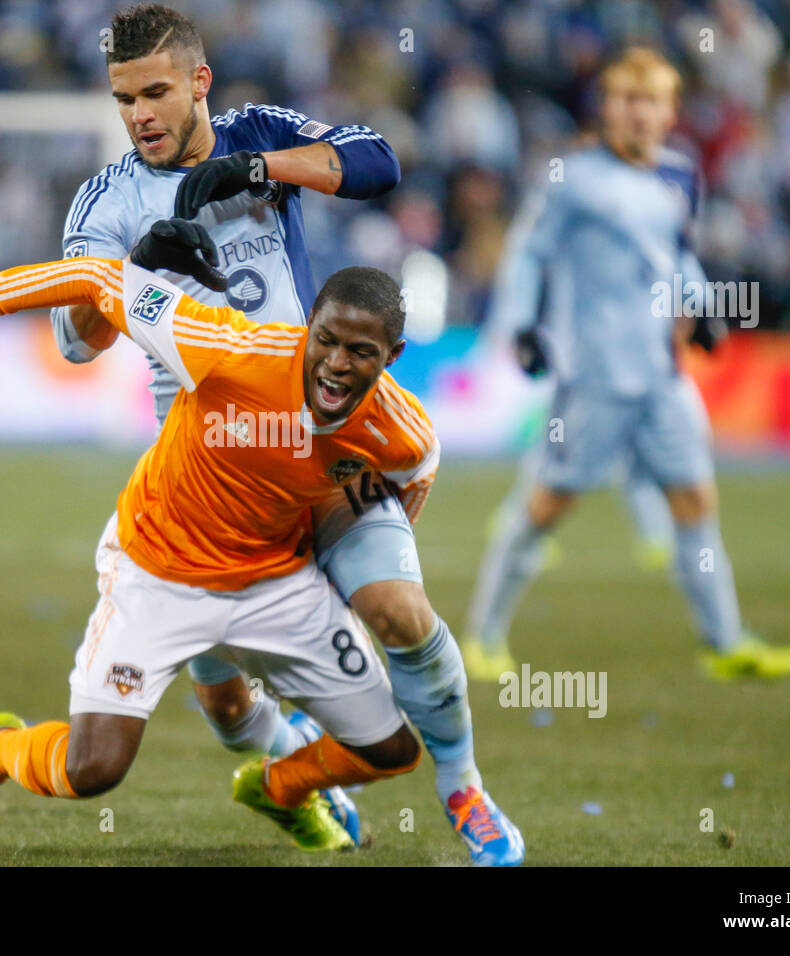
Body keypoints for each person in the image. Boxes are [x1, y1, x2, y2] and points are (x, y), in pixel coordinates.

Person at [0, 218, 523, 863]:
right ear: (307, 328)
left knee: (390, 750)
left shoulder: (403, 435)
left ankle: (279, 789)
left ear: (393, 356)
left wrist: (341, 578)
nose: (337, 365)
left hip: (274, 583)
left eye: (361, 352)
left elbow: (405, 491)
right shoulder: (228, 350)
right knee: (92, 770)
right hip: (158, 571)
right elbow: (100, 279)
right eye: (327, 341)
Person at [42, 3, 507, 859]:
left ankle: (464, 788)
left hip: (323, 450)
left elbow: (379, 160)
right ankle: (286, 759)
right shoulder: (105, 199)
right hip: (206, 480)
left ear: (198, 83)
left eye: (155, 92)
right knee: (225, 708)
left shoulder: (258, 132)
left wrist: (257, 168)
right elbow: (74, 341)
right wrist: (142, 260)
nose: (139, 115)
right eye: (123, 100)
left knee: (398, 611)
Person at [461, 47, 790, 682]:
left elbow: (678, 257)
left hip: (662, 374)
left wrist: (702, 307)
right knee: (546, 505)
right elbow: (528, 254)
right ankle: (480, 636)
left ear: (671, 110)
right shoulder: (572, 177)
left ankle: (725, 642)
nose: (637, 113)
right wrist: (520, 327)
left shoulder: (680, 176)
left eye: (650, 101)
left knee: (697, 501)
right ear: (608, 108)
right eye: (625, 100)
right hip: (594, 376)